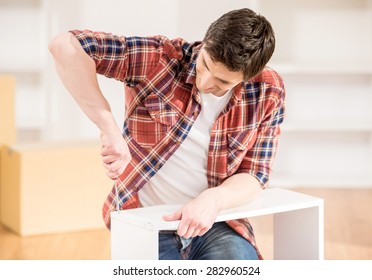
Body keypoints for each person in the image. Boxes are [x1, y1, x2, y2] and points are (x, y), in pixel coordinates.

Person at [48, 8, 285, 260]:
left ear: (248, 77)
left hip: (216, 222)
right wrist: (108, 128)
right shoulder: (159, 59)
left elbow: (255, 174)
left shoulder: (268, 90)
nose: (204, 82)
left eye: (222, 82)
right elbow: (65, 46)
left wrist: (214, 199)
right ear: (206, 41)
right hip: (146, 220)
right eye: (204, 64)